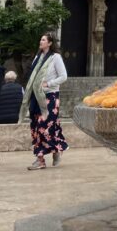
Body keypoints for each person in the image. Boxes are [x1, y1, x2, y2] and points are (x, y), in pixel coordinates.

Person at [19, 32, 69, 169]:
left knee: (45, 126)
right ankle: (44, 157)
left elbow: (64, 76)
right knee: (36, 126)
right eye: (40, 39)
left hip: (50, 96)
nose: (40, 42)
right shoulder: (38, 57)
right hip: (37, 96)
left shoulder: (55, 57)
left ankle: (51, 152)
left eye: (43, 40)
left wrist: (49, 83)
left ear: (50, 43)